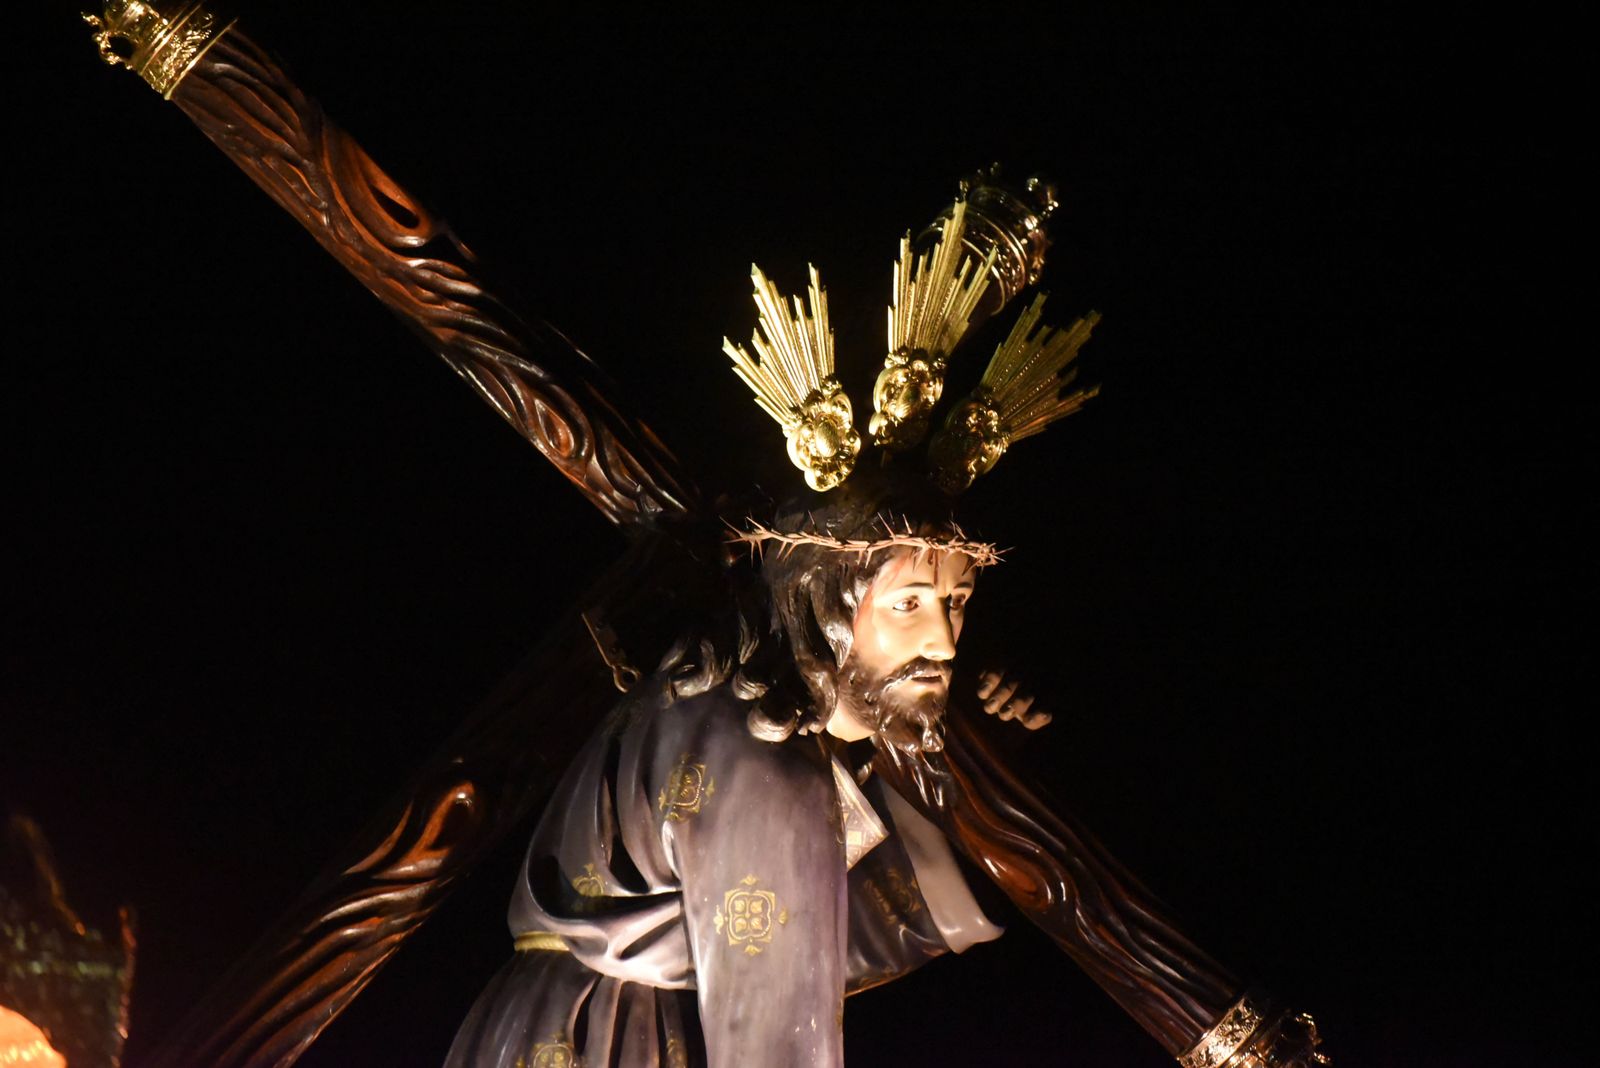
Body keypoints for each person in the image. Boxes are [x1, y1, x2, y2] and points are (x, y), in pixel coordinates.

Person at [445, 482, 1034, 1068]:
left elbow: (842, 918)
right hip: (616, 1039)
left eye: (955, 601)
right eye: (908, 603)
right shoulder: (771, 773)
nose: (946, 642)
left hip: (535, 1023)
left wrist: (989, 768)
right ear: (821, 602)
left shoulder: (716, 701)